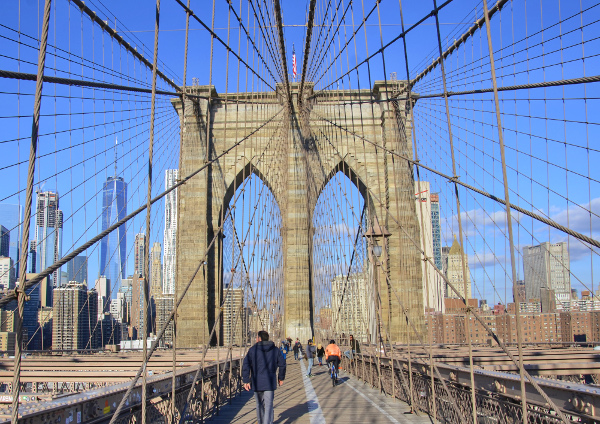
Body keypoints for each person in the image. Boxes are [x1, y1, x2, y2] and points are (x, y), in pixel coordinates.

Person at [243, 331, 286, 424]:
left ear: (259, 339)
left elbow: (245, 364)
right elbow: (282, 364)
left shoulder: (252, 350)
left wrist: (246, 380)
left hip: (257, 382)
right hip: (270, 382)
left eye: (256, 338)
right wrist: (281, 378)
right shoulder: (275, 350)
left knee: (259, 405)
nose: (255, 339)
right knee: (269, 405)